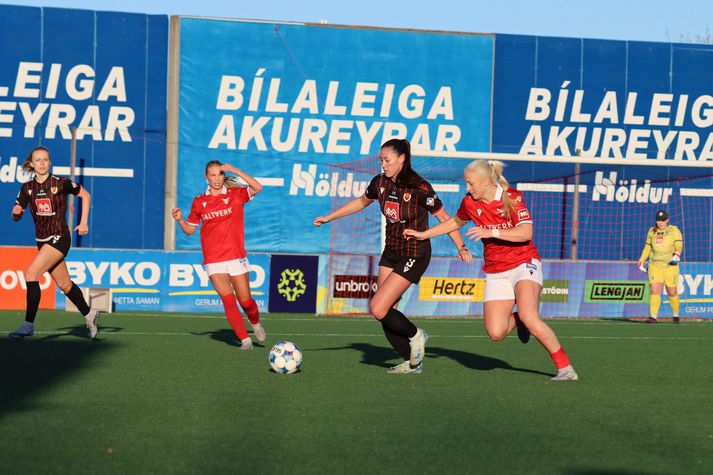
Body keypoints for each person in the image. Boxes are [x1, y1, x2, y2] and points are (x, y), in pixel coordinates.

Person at [404, 159, 578, 381]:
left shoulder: (511, 197)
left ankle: (566, 369)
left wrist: (492, 232)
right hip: (496, 271)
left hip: (524, 263)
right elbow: (455, 222)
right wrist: (423, 235)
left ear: (486, 182)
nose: (467, 188)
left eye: (470, 183)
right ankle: (521, 321)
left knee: (530, 316)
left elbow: (526, 233)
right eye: (466, 183)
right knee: (496, 332)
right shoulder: (469, 202)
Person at [314, 139, 471, 374]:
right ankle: (412, 362)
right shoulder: (380, 183)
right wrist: (329, 217)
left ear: (402, 159)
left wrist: (461, 246)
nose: (383, 164)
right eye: (381, 160)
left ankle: (417, 335)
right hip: (391, 252)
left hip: (415, 253)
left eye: (387, 160)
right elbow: (360, 202)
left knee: (378, 307)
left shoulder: (420, 187)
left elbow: (445, 218)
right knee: (386, 312)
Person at [9, 146, 100, 340]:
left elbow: (85, 195)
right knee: (65, 285)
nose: (42, 163)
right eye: (38, 160)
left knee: (31, 274)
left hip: (60, 237)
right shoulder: (27, 188)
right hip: (42, 241)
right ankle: (89, 313)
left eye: (45, 159)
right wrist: (16, 213)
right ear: (32, 164)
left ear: (49, 162)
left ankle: (28, 325)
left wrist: (84, 222)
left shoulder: (60, 183)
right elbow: (16, 215)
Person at [173, 161, 265, 349]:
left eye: (220, 174)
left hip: (235, 256)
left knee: (246, 301)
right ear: (206, 178)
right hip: (214, 260)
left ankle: (255, 322)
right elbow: (190, 230)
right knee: (228, 300)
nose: (217, 179)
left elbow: (258, 187)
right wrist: (180, 220)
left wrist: (234, 170)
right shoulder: (199, 201)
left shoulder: (236, 194)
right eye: (213, 175)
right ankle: (245, 340)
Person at [637, 210, 683, 324]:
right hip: (655, 265)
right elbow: (647, 247)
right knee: (654, 290)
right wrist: (641, 260)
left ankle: (676, 315)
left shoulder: (674, 231)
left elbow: (679, 244)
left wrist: (677, 254)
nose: (660, 223)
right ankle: (653, 317)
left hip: (670, 266)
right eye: (658, 220)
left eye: (662, 220)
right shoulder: (652, 231)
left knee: (672, 292)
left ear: (667, 220)